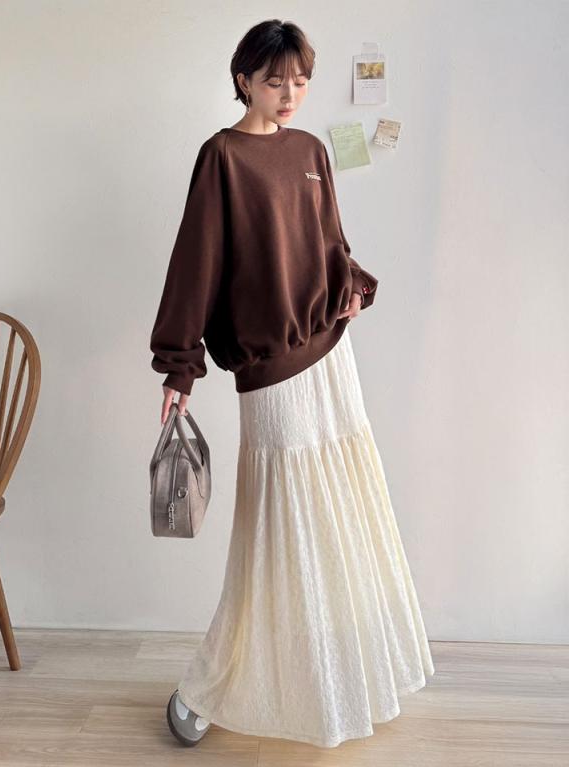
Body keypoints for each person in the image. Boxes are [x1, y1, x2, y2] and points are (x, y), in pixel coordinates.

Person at [151, 18, 435, 750]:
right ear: (244, 79)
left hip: (331, 352)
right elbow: (196, 262)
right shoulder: (221, 157)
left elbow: (330, 240)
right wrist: (180, 364)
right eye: (276, 81)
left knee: (339, 508)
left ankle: (339, 675)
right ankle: (214, 682)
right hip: (270, 364)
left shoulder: (311, 151)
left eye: (301, 81)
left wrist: (350, 284)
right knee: (278, 524)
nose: (290, 94)